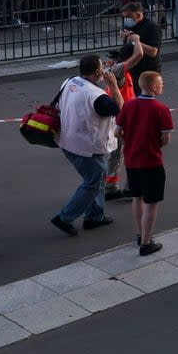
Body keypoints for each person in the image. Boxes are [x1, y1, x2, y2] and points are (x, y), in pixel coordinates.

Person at [51, 54, 124, 237]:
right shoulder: (97, 96)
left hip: (67, 140)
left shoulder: (70, 81)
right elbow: (121, 109)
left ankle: (94, 216)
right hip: (87, 146)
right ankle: (64, 217)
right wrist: (114, 87)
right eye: (103, 67)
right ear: (98, 71)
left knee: (96, 178)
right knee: (93, 181)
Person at [114, 71, 173, 257]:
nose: (162, 85)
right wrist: (154, 144)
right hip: (151, 161)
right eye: (161, 83)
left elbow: (117, 133)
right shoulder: (161, 109)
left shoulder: (129, 106)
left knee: (137, 197)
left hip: (132, 161)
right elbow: (166, 138)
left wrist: (130, 142)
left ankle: (140, 235)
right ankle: (147, 243)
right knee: (152, 203)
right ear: (154, 87)